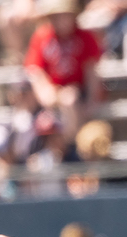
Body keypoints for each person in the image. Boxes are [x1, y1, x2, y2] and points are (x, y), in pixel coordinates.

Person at [24, 0, 102, 141]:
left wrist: (91, 100)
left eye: (64, 15)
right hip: (52, 93)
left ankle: (73, 144)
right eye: (56, 16)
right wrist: (47, 93)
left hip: (79, 92)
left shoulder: (86, 37)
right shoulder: (42, 37)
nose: (60, 20)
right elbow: (35, 71)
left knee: (70, 99)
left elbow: (92, 72)